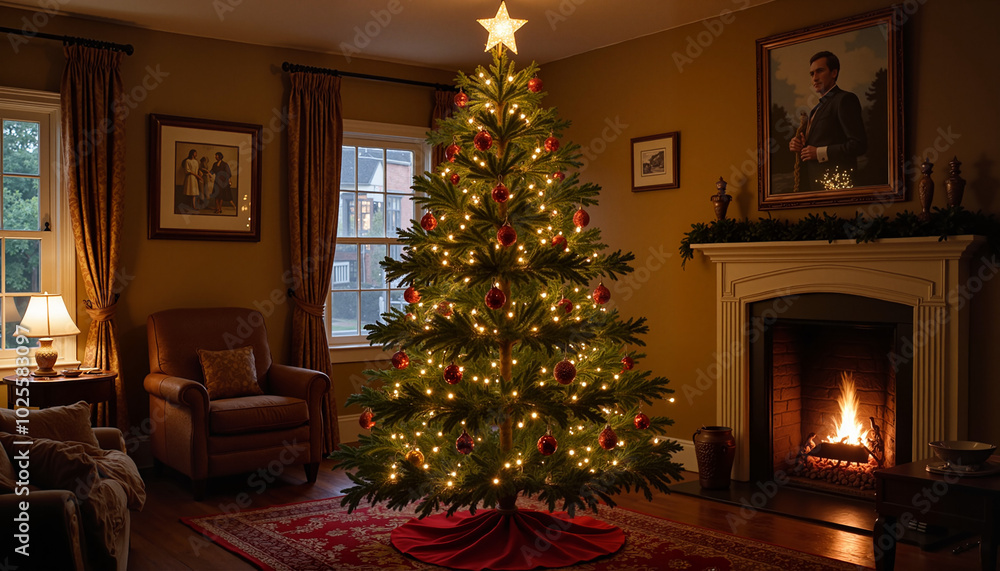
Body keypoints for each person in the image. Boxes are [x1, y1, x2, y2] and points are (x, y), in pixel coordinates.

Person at [789, 51, 867, 192]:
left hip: (839, 190)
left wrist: (819, 153)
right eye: (812, 74)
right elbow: (815, 146)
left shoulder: (845, 99)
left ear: (834, 73)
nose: (815, 78)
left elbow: (859, 145)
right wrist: (799, 145)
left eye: (820, 71)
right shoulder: (816, 109)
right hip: (815, 190)